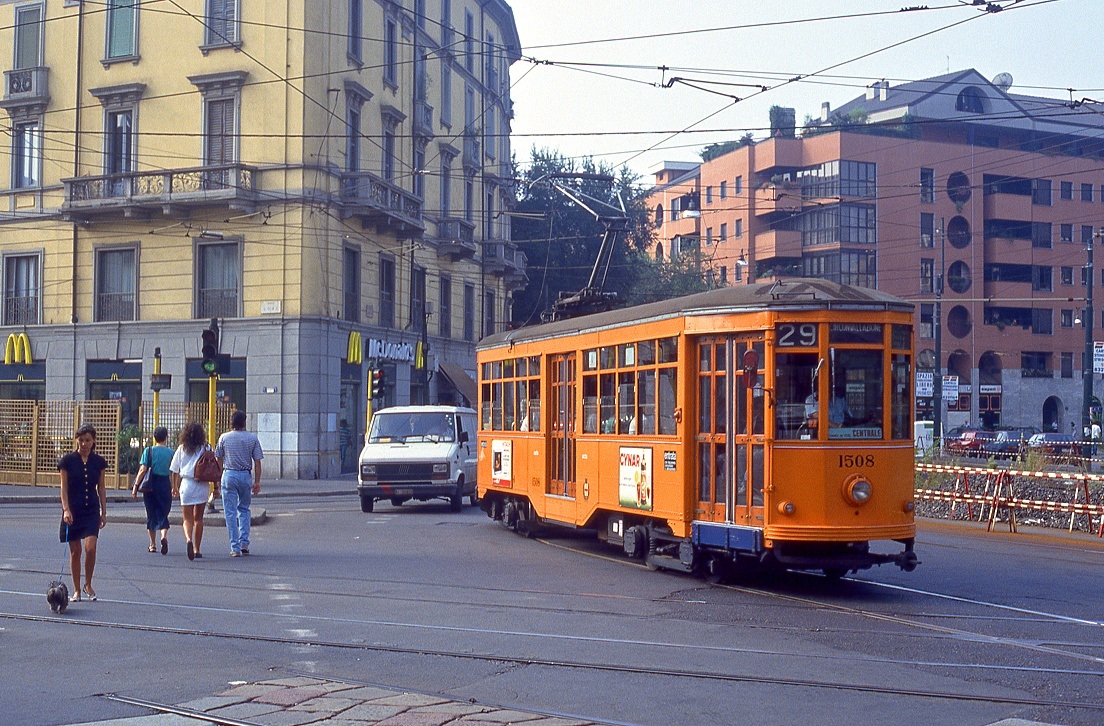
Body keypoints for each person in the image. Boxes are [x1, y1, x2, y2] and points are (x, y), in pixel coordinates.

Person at [58, 424, 108, 602]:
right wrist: (66, 509)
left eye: (87, 440)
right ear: (77, 441)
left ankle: (88, 583)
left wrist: (103, 511)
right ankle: (77, 590)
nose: (84, 444)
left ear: (93, 441)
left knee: (90, 548)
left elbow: (101, 488)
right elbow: (63, 488)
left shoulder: (99, 462)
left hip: (91, 510)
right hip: (73, 510)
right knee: (75, 552)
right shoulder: (67, 461)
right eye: (81, 440)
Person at [215, 411, 264, 557]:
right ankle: (244, 543)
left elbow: (218, 459)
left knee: (230, 512)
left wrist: (217, 479)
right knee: (244, 509)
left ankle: (235, 547)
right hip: (245, 475)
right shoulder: (252, 438)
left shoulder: (224, 438)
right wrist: (257, 482)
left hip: (229, 474)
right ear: (244, 422)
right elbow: (257, 462)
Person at [170, 422, 215, 561]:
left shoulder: (181, 449)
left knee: (187, 518)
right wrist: (216, 487)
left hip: (186, 484)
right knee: (198, 519)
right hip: (202, 485)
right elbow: (213, 467)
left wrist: (174, 487)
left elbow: (174, 470)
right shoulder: (207, 447)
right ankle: (197, 549)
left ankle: (188, 539)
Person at [131, 426, 174, 554]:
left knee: (151, 513)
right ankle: (163, 536)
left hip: (150, 485)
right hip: (165, 484)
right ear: (166, 438)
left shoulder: (148, 451)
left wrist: (135, 486)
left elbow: (143, 469)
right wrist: (175, 487)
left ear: (155, 438)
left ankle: (152, 544)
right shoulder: (171, 453)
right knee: (163, 512)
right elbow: (174, 471)